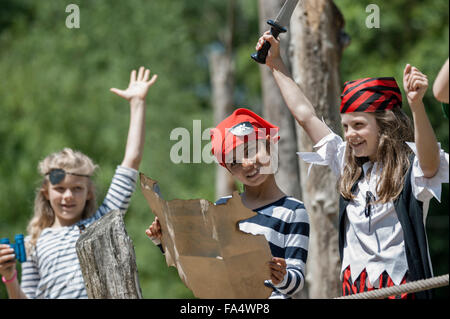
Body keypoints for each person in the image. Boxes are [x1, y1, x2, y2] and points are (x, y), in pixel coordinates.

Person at [256, 31, 449, 299]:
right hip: (354, 289)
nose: (349, 134)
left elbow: (430, 165)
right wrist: (275, 63)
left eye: (359, 125)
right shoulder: (347, 162)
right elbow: (305, 115)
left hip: (402, 288)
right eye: (346, 126)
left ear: (386, 126)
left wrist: (416, 106)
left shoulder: (410, 167)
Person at [0, 66, 157, 299]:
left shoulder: (101, 223)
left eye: (77, 189)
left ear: (89, 193)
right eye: (59, 189)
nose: (68, 196)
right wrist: (10, 277)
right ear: (45, 191)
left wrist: (137, 103)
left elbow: (131, 160)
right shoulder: (35, 242)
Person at [146, 108, 310, 299]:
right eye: (234, 162)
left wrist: (282, 277)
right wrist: (163, 240)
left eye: (250, 150)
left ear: (269, 145)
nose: (246, 164)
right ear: (229, 171)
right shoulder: (222, 208)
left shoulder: (293, 211)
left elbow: (296, 282)